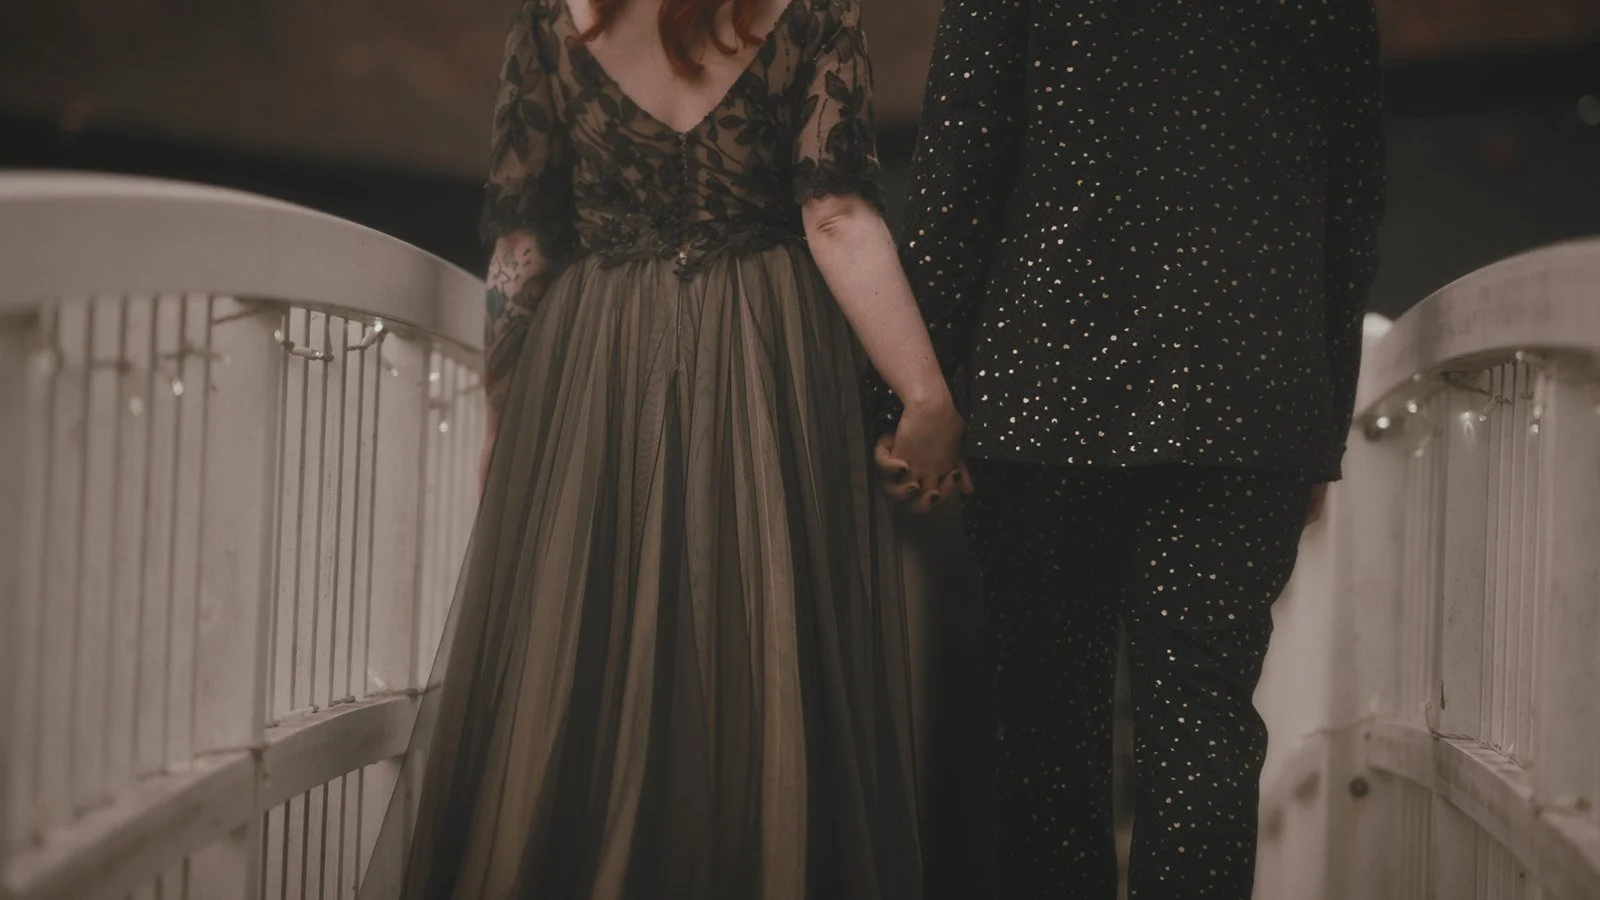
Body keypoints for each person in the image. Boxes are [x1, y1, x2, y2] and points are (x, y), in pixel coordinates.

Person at [356, 0, 972, 897]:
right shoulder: (811, 13)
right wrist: (926, 398)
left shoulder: (550, 17)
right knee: (762, 641)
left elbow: (523, 247)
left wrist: (504, 415)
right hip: (764, 360)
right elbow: (833, 216)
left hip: (599, 360)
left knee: (587, 650)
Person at [872, 0, 1387, 896]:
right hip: (1246, 389)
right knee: (1205, 733)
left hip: (1045, 388)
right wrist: (1318, 422)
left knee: (1047, 741)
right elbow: (1353, 190)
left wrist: (914, 394)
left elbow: (959, 169)